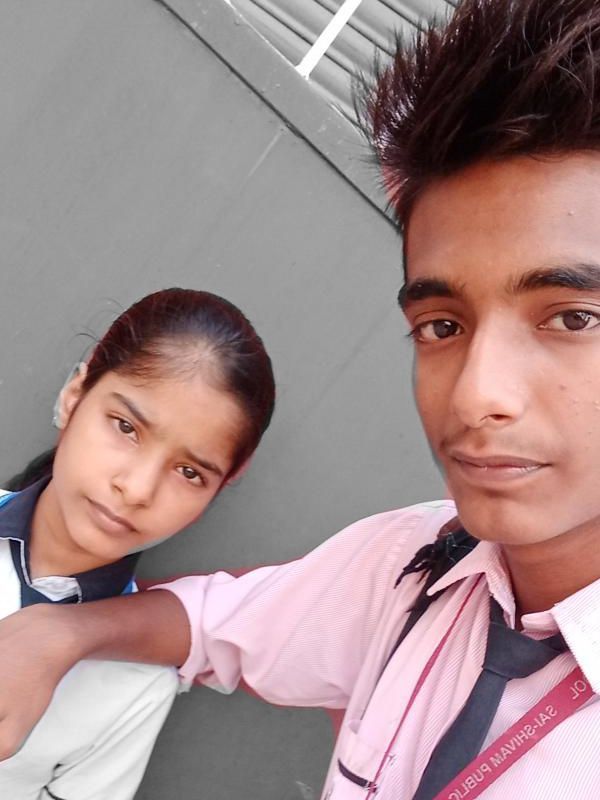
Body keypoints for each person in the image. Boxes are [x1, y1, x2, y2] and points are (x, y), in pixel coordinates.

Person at [2, 0, 600, 797]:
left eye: (574, 317)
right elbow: (215, 624)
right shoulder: (413, 564)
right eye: (441, 325)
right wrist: (56, 633)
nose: (476, 393)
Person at [0, 287, 275, 799]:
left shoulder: (138, 684)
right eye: (126, 427)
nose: (138, 489)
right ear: (75, 395)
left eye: (190, 472)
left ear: (219, 489)